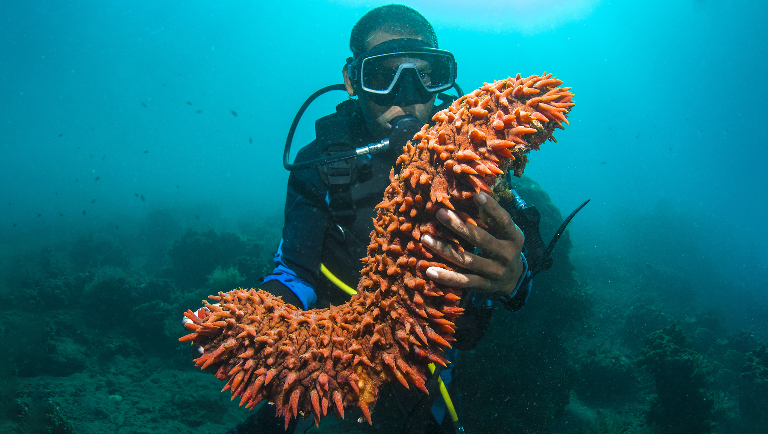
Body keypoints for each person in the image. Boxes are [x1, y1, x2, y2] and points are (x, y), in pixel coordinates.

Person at [225, 5, 533, 434]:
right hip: (338, 361)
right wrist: (268, 320)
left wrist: (515, 279)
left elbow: (522, 266)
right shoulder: (320, 164)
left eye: (426, 74)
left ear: (444, 77)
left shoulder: (480, 161)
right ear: (353, 80)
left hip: (427, 371)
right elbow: (294, 269)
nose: (407, 94)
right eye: (382, 75)